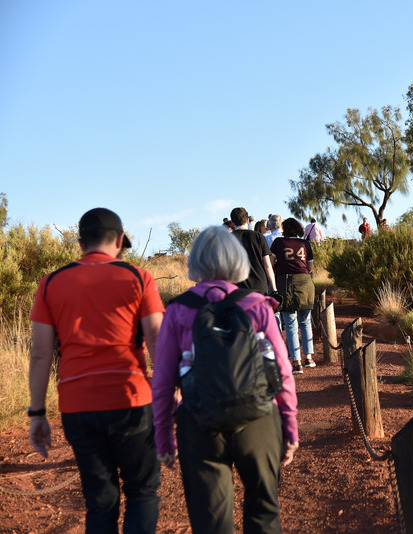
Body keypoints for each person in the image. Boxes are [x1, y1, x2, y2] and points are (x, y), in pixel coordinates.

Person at [152, 225, 298, 534]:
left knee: (211, 522)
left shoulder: (177, 310)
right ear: (238, 260)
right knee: (264, 511)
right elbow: (282, 370)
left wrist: (164, 436)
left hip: (200, 422)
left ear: (196, 262)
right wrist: (289, 426)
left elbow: (163, 382)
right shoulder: (258, 305)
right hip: (258, 418)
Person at [28, 207, 164, 533]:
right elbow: (158, 340)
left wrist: (38, 413)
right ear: (119, 240)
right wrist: (168, 394)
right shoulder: (139, 277)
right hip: (131, 400)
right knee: (142, 491)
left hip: (78, 406)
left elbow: (40, 354)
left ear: (80, 243)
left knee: (100, 501)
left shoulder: (51, 282)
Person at [271, 217, 316, 375]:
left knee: (290, 324)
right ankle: (308, 358)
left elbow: (271, 263)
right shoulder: (305, 243)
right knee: (305, 321)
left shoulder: (278, 243)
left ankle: (297, 363)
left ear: (284, 229)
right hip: (305, 282)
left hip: (285, 283)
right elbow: (310, 266)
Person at [230, 207, 276, 295]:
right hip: (259, 286)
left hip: (236, 288)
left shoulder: (227, 239)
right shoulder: (259, 237)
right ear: (247, 220)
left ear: (232, 223)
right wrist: (274, 289)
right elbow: (267, 265)